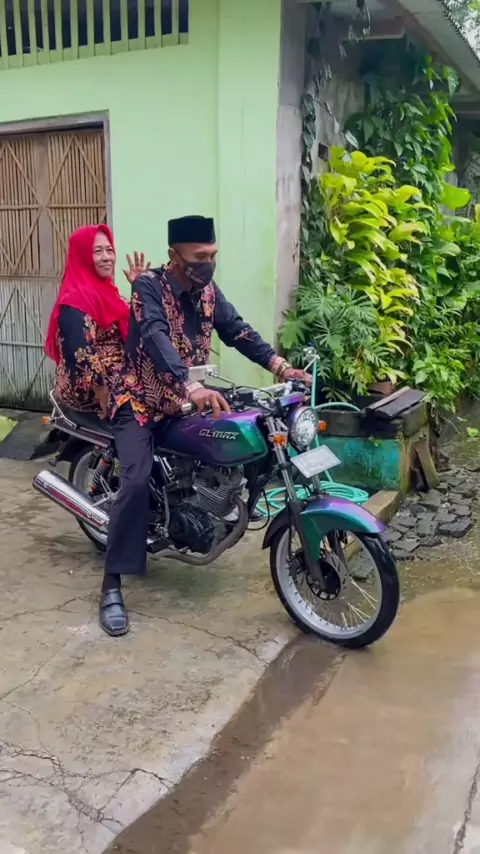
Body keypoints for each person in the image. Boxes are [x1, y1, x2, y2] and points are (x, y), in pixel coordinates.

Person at [100, 215, 310, 638]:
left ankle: (213, 507)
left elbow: (237, 331)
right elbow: (155, 337)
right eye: (200, 256)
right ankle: (111, 585)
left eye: (212, 255)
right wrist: (189, 385)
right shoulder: (148, 288)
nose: (208, 263)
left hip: (186, 401)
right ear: (174, 256)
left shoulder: (208, 293)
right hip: (141, 402)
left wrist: (280, 366)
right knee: (136, 481)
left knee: (246, 429)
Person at [45, 225, 149, 416]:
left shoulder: (107, 292)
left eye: (109, 250)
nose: (107, 257)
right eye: (97, 251)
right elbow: (79, 353)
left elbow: (138, 326)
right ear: (82, 256)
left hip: (122, 379)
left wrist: (140, 289)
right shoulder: (75, 301)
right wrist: (102, 391)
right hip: (92, 392)